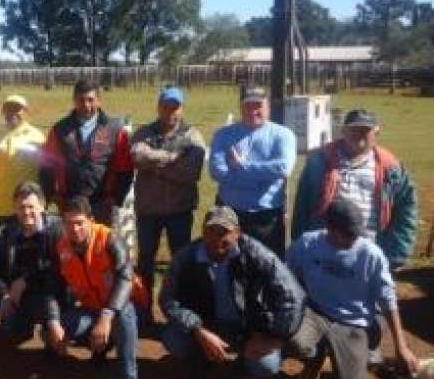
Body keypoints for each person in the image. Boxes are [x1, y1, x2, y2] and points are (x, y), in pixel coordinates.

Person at [287, 198, 420, 379]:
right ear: (331, 229)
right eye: (349, 234)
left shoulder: (372, 255)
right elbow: (287, 275)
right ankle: (316, 359)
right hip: (316, 313)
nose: (355, 238)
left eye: (357, 233)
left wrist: (400, 346)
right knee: (292, 338)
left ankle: (348, 356)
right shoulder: (307, 243)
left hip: (352, 323)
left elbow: (388, 299)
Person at [160, 205, 304, 379]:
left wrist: (274, 338)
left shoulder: (258, 255)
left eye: (223, 232)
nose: (216, 238)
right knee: (173, 339)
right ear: (203, 232)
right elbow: (168, 299)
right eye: (211, 231)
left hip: (249, 328)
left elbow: (294, 297)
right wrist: (197, 329)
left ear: (237, 233)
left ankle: (243, 365)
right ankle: (203, 357)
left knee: (266, 366)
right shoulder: (185, 257)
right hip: (206, 324)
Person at [44, 196, 140, 379]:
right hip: (91, 309)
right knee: (50, 333)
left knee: (123, 314)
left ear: (91, 220)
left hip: (128, 308)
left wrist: (107, 316)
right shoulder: (62, 247)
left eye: (79, 223)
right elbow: (52, 288)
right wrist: (53, 322)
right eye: (69, 223)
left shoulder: (110, 239)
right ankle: (100, 348)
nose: (74, 229)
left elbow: (126, 278)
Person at [292, 108, 418, 270]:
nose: (359, 134)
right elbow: (302, 207)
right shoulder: (319, 162)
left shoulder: (391, 168)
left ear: (376, 133)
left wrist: (396, 253)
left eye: (365, 130)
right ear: (343, 131)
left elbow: (406, 213)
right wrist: (301, 246)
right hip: (324, 250)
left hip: (369, 253)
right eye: (354, 129)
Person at [131, 86, 206, 302]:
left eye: (175, 107)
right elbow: (137, 155)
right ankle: (143, 307)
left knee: (181, 260)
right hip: (148, 211)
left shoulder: (193, 136)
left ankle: (179, 305)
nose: (170, 112)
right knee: (145, 262)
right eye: (166, 107)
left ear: (182, 109)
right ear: (158, 107)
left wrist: (153, 164)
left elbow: (190, 172)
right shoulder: (144, 132)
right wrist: (173, 158)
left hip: (179, 211)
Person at [209, 86, 296, 256]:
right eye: (248, 106)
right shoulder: (223, 134)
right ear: (241, 108)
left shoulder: (283, 135)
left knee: (267, 264)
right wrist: (261, 178)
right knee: (227, 260)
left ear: (268, 108)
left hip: (266, 217)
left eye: (258, 106)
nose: (253, 111)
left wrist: (241, 167)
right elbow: (216, 171)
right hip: (229, 214)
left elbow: (283, 168)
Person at [40, 78, 133, 225]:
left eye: (91, 100)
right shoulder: (59, 130)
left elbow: (125, 169)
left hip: (103, 204)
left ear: (99, 101)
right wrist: (51, 196)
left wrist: (116, 199)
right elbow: (47, 166)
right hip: (69, 204)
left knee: (101, 245)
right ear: (74, 101)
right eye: (81, 100)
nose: (86, 105)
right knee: (71, 245)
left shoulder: (115, 130)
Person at [0, 181, 62, 343]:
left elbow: (58, 269)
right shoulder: (3, 233)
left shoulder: (58, 231)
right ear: (14, 208)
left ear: (42, 206)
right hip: (16, 297)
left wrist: (26, 281)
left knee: (54, 342)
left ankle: (51, 325)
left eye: (31, 207)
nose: (26, 212)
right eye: (21, 207)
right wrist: (4, 295)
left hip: (50, 294)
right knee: (12, 332)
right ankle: (23, 323)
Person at [0, 95, 46, 229]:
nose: (12, 113)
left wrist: (44, 199)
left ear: (25, 111)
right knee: (4, 246)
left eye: (17, 109)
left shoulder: (38, 137)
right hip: (2, 206)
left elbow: (45, 171)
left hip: (28, 206)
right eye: (8, 109)